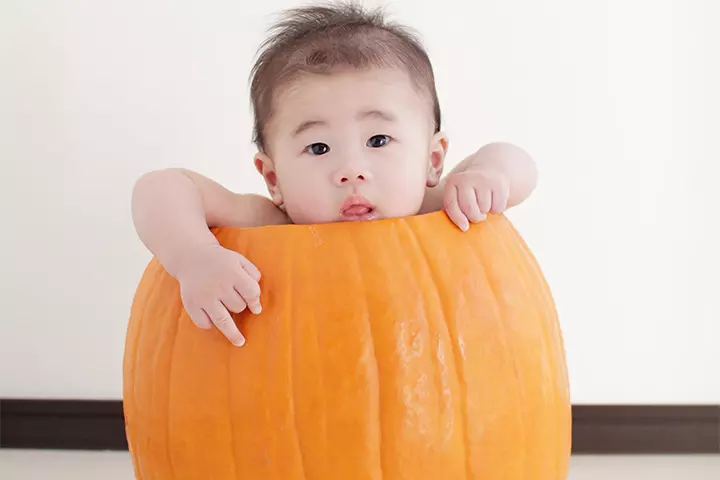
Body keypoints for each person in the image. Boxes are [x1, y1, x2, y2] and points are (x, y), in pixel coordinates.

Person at [131, 3, 538, 347]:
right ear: (273, 179)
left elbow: (517, 161)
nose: (351, 171)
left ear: (433, 160)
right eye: (319, 148)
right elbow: (162, 187)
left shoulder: (437, 208)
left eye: (378, 140)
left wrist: (491, 174)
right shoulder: (273, 226)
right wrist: (194, 256)